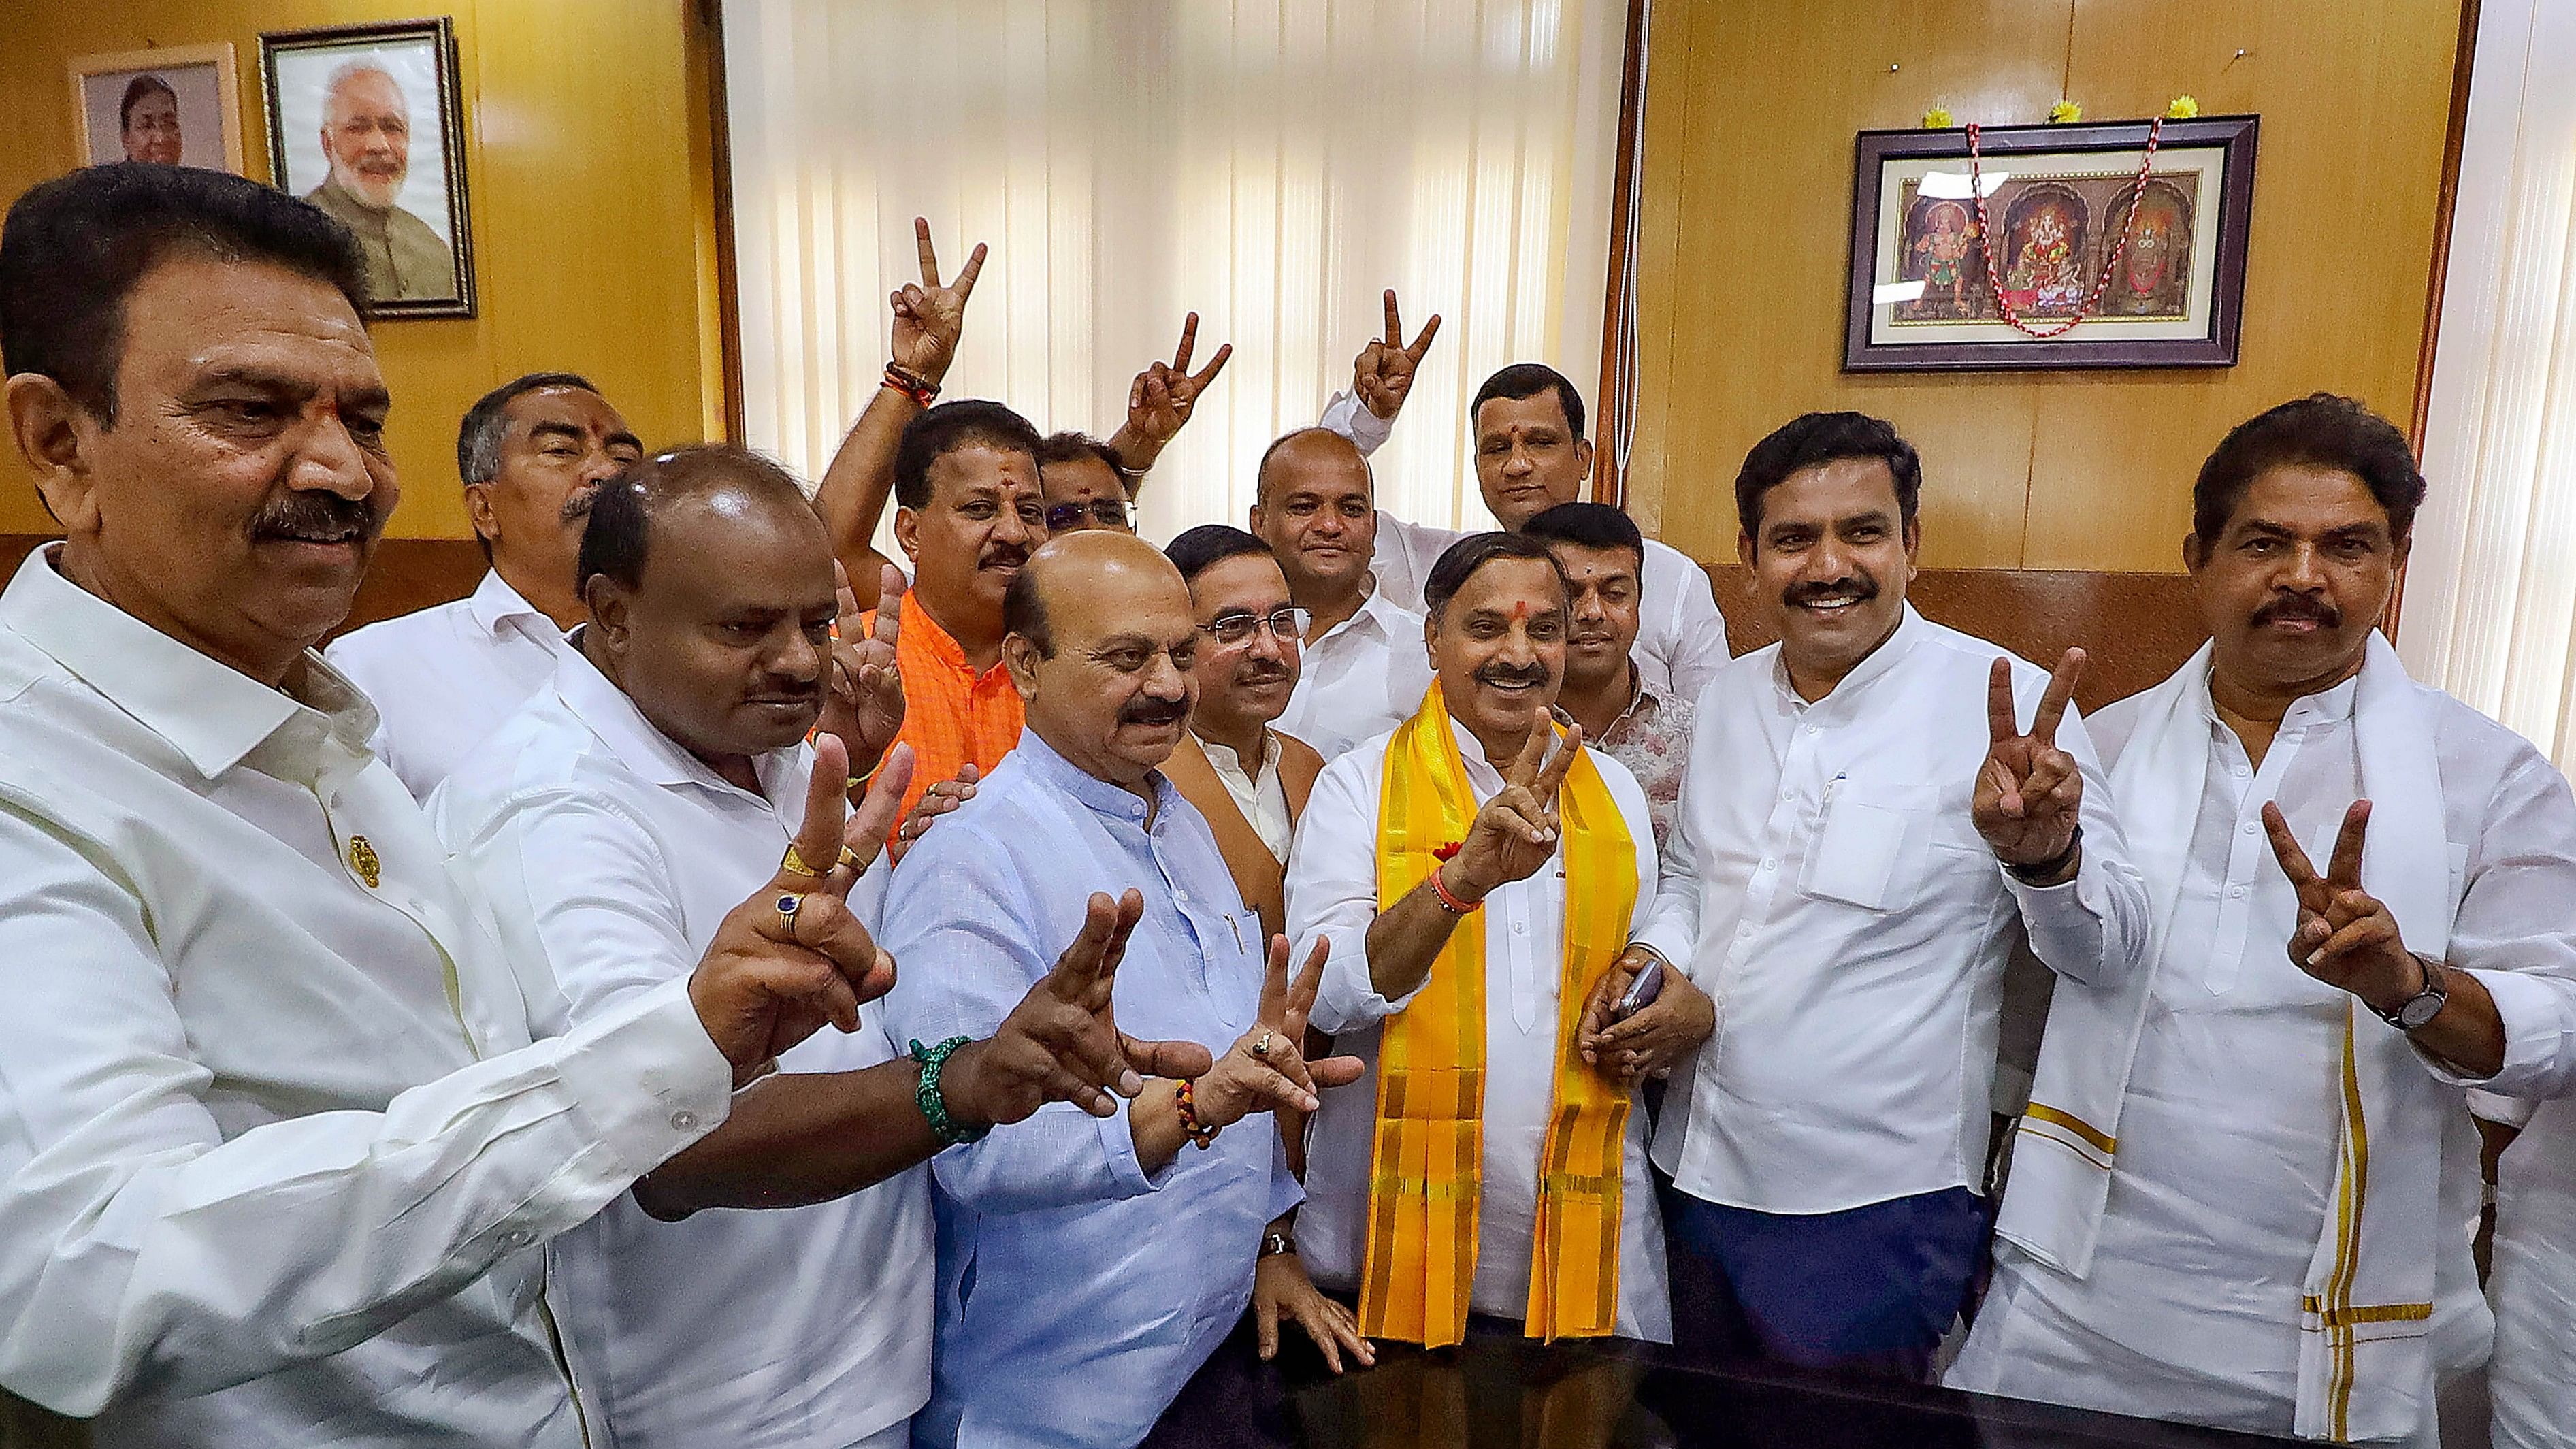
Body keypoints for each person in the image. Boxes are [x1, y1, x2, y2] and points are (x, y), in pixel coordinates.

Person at [0, 161, 945, 1446]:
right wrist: (659, 1056)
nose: (342, 470)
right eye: (250, 408)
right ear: (62, 443)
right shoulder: (33, 775)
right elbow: (88, 1273)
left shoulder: (326, 726)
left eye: (366, 420)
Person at [432, 446, 1209, 1448]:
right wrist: (964, 1084)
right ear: (613, 614)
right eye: (747, 628)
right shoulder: (552, 811)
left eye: (815, 620)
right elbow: (666, 1141)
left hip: (868, 1359)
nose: (802, 659)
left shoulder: (769, 746)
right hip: (716, 1403)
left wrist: (870, 804)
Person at [1949, 395, 2576, 1445]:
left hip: (2335, 1333)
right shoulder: (2102, 741)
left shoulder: (2490, 778)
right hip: (2078, 1310)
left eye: (2345, 546)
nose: (2302, 575)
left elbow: (2553, 1037)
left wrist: (2409, 989)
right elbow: (2093, 953)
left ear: (2394, 563)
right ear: (2198, 556)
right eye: (2264, 542)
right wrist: (2044, 859)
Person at [1628, 412, 2151, 1380]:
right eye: (1793, 539)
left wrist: (2044, 859)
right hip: (1691, 1167)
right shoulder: (1731, 699)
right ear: (1748, 557)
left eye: (1862, 532)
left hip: (1872, 1208)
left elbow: (2110, 953)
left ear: (1911, 543)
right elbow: (1699, 877)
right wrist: (1655, 958)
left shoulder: (2005, 711)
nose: (1830, 565)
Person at [876, 530, 1364, 1448]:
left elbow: (1234, 1059)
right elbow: (968, 1148)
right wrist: (1194, 1107)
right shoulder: (971, 857)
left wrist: (1267, 1237)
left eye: (1180, 653)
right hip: (1049, 1399)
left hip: (1199, 1364)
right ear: (1025, 664)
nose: (1170, 685)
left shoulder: (1170, 815)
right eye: (1126, 658)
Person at [1288, 531, 1699, 1347]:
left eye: (1541, 629)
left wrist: (1660, 969)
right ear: (1432, 636)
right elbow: (1327, 990)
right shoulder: (1357, 785)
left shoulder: (1610, 786)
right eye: (1486, 627)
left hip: (1587, 1252)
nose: (1518, 654)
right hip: (1381, 1247)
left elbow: (1662, 914)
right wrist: (1457, 884)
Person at [1314, 294, 1730, 703]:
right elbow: (1314, 503)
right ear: (1477, 466)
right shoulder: (1442, 566)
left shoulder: (1670, 579)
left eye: (1541, 443)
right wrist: (1365, 420)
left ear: (1583, 458)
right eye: (1496, 448)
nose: (1517, 465)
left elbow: (1717, 725)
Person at [325, 371, 642, 796]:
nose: (605, 471)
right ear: (485, 509)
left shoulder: (699, 652)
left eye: (624, 459)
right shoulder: (374, 667)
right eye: (561, 451)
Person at [868, 398, 1047, 828]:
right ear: (911, 534)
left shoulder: (1076, 666)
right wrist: (893, 858)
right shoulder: (856, 663)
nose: (1013, 532)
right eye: (980, 509)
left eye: (1031, 512)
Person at [1162, 524, 1326, 939]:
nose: (1269, 649)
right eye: (1233, 626)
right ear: (1175, 642)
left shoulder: (1308, 768)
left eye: (1282, 621)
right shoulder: (1146, 778)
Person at [1522, 500, 1700, 853]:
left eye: (1615, 594)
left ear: (1639, 601)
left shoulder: (1693, 736)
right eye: (1571, 595)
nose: (1592, 612)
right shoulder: (1503, 733)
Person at [1250, 427, 1435, 759]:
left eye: (1351, 509)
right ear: (1259, 523)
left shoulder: (1423, 654)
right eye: (1305, 507)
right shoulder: (1219, 638)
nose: (1330, 525)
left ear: (1374, 528)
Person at [300, 61, 455, 302]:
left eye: (392, 128)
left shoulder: (433, 251)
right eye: (358, 128)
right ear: (328, 143)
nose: (378, 146)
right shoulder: (295, 241)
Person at [118, 75, 183, 165]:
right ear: (126, 139)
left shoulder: (196, 178)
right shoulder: (105, 178)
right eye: (146, 126)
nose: (160, 139)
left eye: (169, 124)